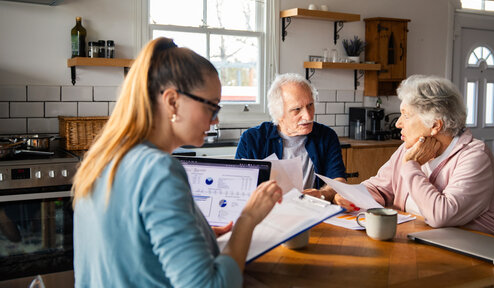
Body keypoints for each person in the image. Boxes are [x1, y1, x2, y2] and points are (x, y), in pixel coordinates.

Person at [72, 37, 282, 287]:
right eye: (211, 108)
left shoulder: (105, 157)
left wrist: (198, 237)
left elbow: (132, 249)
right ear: (172, 102)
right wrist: (247, 219)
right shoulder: (158, 169)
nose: (215, 120)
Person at [335, 75, 494, 242]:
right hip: (432, 244)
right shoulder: (407, 148)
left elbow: (442, 215)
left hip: (491, 255)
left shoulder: (475, 156)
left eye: (406, 116)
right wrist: (352, 197)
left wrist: (411, 166)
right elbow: (379, 188)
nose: (398, 123)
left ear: (435, 125)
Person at [235, 73, 346, 202]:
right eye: (297, 109)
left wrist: (322, 194)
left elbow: (338, 180)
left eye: (310, 105)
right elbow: (239, 189)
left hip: (313, 210)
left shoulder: (326, 136)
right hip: (266, 214)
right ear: (278, 113)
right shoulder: (251, 139)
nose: (308, 116)